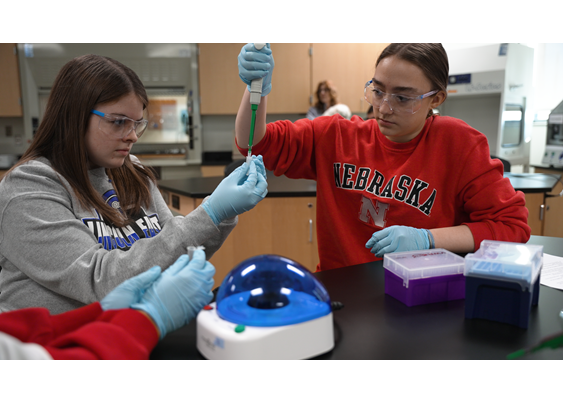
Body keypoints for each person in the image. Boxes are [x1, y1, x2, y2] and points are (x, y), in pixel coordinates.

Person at [0, 54, 268, 314]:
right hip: (54, 346)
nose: (131, 136)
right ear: (74, 117)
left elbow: (175, 250)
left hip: (131, 331)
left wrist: (223, 213)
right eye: (118, 122)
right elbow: (100, 280)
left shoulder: (132, 171)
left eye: (137, 124)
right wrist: (211, 212)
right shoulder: (29, 187)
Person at [235, 43, 530, 272]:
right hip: (344, 292)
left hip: (423, 296)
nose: (384, 108)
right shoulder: (335, 136)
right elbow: (255, 144)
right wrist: (255, 89)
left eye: (402, 98)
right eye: (378, 91)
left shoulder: (459, 144)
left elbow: (512, 226)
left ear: (436, 98)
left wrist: (429, 239)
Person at [0, 249, 213, 360]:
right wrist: (148, 318)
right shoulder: (27, 186)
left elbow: (16, 332)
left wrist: (98, 312)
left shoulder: (134, 173)